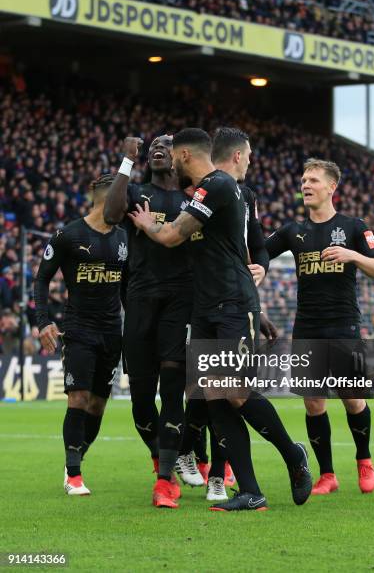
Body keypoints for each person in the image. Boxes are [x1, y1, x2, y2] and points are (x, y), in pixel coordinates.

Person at [129, 128, 311, 511]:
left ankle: (293, 454)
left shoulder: (219, 186)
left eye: (173, 155)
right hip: (205, 307)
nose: (169, 161)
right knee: (215, 397)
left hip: (232, 302)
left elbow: (173, 236)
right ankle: (250, 491)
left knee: (236, 393)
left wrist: (147, 226)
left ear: (183, 156)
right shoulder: (201, 192)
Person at [266, 158, 374, 495]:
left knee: (352, 398)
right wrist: (257, 266)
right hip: (306, 326)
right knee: (313, 402)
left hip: (344, 325)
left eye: (313, 180)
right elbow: (259, 252)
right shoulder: (293, 231)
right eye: (304, 180)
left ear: (331, 187)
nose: (306, 185)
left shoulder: (353, 226)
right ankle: (327, 475)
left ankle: (364, 460)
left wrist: (352, 257)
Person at [176, 127, 275, 502]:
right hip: (197, 304)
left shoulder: (243, 195)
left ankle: (221, 475)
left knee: (228, 389)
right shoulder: (183, 193)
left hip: (231, 302)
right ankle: (192, 453)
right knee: (203, 390)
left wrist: (261, 272)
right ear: (236, 155)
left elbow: (257, 248)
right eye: (248, 154)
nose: (251, 161)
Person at [104, 135, 191, 509]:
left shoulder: (194, 199)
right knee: (141, 400)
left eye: (168, 145)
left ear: (181, 157)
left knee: (172, 390)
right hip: (139, 301)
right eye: (154, 144)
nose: (158, 147)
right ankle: (162, 458)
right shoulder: (137, 192)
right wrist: (125, 161)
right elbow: (109, 215)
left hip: (180, 302)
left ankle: (164, 479)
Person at [34, 175, 127, 496]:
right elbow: (42, 279)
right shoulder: (67, 235)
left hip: (112, 333)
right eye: (123, 198)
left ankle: (75, 456)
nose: (126, 205)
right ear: (108, 200)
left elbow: (128, 289)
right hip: (79, 330)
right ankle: (74, 474)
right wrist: (43, 320)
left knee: (98, 406)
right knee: (79, 398)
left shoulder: (124, 238)